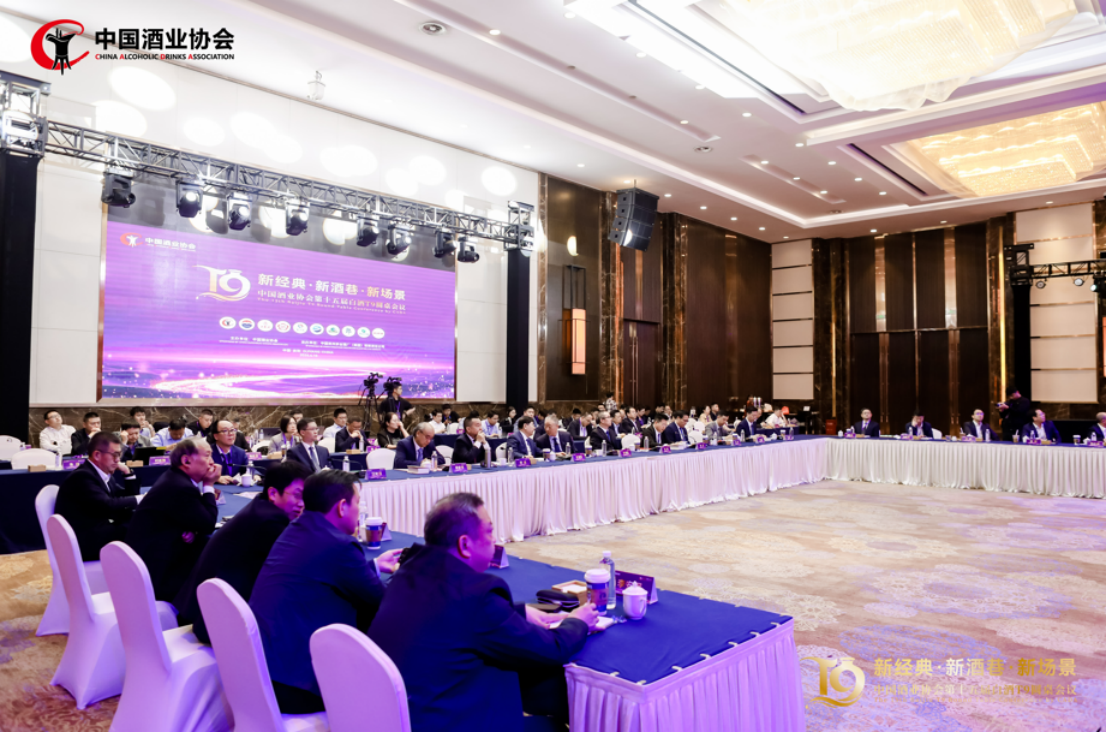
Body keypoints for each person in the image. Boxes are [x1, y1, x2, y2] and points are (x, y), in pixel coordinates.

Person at [368, 493, 599, 732]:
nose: (495, 539)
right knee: (553, 724)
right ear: (465, 545)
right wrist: (578, 621)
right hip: (451, 720)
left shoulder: (407, 574)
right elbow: (552, 649)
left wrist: (518, 612)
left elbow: (445, 615)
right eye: (489, 532)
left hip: (401, 716)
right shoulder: (476, 594)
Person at [250, 471, 401, 714]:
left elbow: (327, 573)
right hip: (295, 685)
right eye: (357, 502)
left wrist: (372, 567)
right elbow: (381, 601)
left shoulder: (295, 528)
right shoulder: (340, 545)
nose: (358, 509)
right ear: (342, 507)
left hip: (261, 671)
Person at [175, 462, 311, 644]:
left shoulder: (262, 506)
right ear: (272, 493)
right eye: (297, 495)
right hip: (217, 621)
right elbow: (300, 564)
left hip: (205, 607)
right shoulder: (270, 522)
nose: (302, 504)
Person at [125, 438, 222, 603]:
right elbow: (207, 524)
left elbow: (190, 517)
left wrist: (193, 529)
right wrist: (208, 485)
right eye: (207, 456)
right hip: (158, 572)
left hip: (150, 556)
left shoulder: (174, 477)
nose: (212, 462)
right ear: (186, 461)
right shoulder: (180, 486)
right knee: (216, 553)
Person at [54, 432, 142, 562]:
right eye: (115, 455)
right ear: (97, 455)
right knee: (141, 530)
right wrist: (140, 499)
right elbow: (108, 504)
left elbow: (124, 497)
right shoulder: (82, 476)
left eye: (119, 455)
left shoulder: (101, 473)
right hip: (86, 541)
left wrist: (127, 473)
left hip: (98, 530)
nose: (118, 460)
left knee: (142, 523)